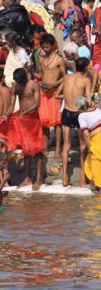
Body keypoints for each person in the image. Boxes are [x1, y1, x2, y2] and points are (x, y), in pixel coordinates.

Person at [0, 68, 44, 190]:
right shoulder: (16, 86)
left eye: (21, 81)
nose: (20, 83)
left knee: (37, 149)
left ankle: (39, 178)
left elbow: (37, 104)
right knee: (26, 149)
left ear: (25, 77)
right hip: (23, 120)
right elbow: (11, 105)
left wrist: (25, 112)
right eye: (17, 81)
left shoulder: (33, 84)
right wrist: (6, 115)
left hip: (33, 119)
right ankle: (27, 178)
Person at [56, 57, 92, 187]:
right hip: (78, 113)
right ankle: (83, 177)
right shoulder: (86, 80)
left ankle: (64, 177)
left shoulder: (66, 78)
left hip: (66, 112)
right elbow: (87, 101)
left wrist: (66, 97)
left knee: (66, 145)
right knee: (82, 145)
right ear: (86, 68)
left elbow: (57, 94)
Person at [35, 34, 65, 157]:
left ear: (53, 46)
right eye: (44, 47)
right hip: (43, 92)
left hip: (54, 93)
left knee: (57, 122)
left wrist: (54, 84)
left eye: (47, 46)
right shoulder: (42, 59)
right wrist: (31, 73)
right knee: (44, 122)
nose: (45, 49)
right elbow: (42, 75)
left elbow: (65, 77)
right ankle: (45, 147)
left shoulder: (59, 59)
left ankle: (58, 148)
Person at [78, 97, 101, 192]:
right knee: (89, 163)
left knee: (95, 162)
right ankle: (94, 184)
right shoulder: (98, 110)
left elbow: (86, 135)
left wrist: (88, 148)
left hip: (96, 140)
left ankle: (99, 188)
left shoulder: (82, 116)